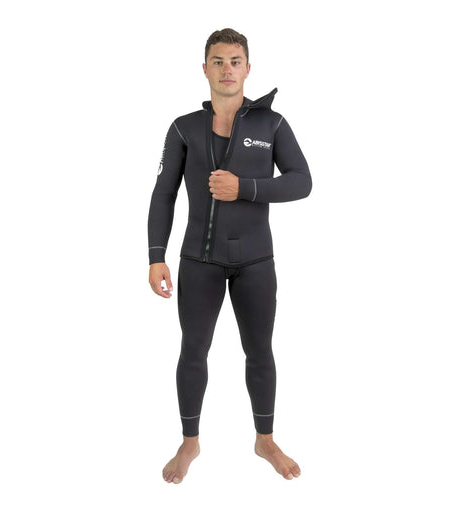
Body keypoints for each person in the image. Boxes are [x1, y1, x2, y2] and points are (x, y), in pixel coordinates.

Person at [147, 28, 312, 484]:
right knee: (192, 352)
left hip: (256, 261)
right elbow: (163, 194)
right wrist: (156, 256)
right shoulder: (183, 127)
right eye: (218, 61)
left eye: (235, 61)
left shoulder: (271, 124)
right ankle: (189, 442)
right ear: (204, 69)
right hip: (198, 261)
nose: (227, 69)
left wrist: (246, 188)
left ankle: (265, 440)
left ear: (248, 69)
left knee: (260, 352)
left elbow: (302, 181)